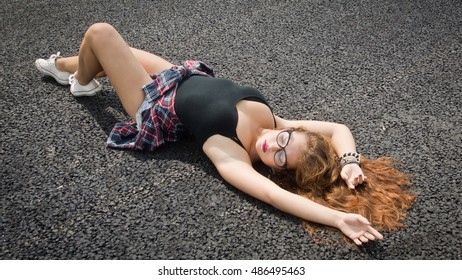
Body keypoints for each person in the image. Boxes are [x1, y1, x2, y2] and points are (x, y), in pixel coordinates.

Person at [35, 23, 414, 246]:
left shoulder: (230, 152)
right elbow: (337, 129)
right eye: (284, 141)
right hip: (176, 76)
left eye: (279, 157)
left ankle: (80, 83)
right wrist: (349, 163)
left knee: (101, 34)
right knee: (104, 53)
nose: (271, 144)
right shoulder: (276, 124)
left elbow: (271, 194)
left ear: (277, 167)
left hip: (153, 104)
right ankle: (64, 68)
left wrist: (337, 219)